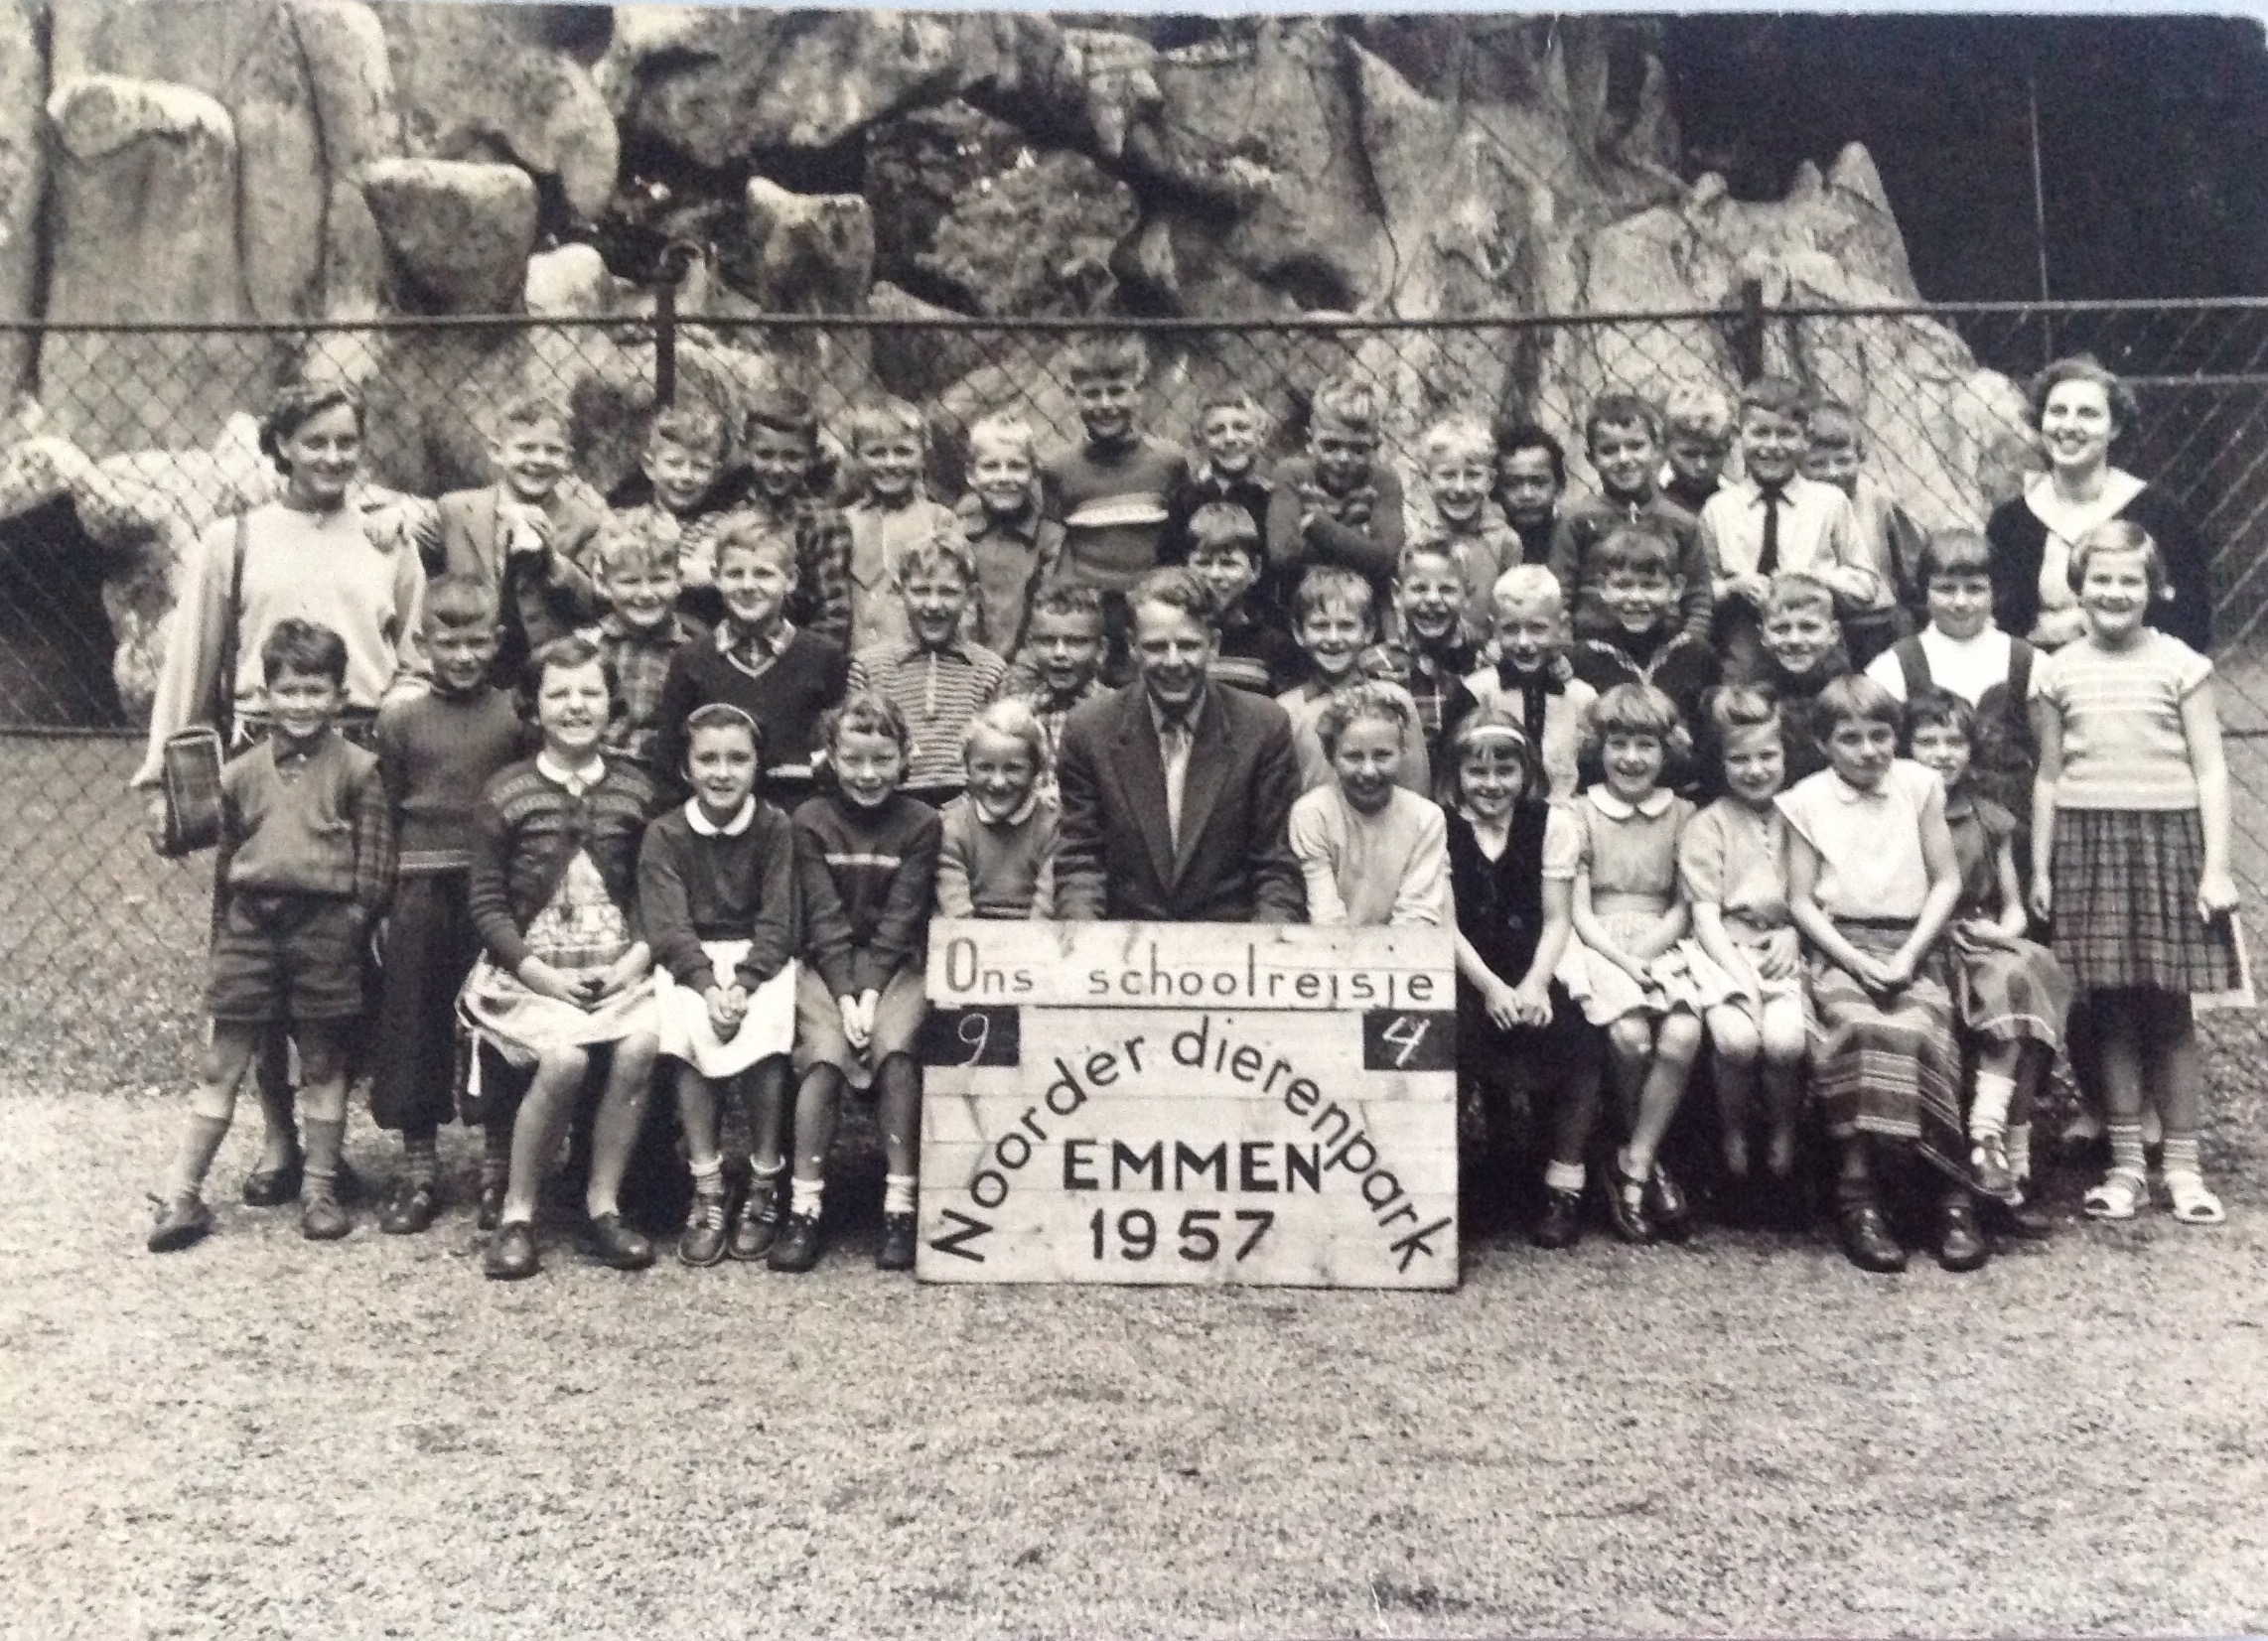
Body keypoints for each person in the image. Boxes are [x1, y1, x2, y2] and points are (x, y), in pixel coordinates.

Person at [135, 379, 427, 1212]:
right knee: (260, 947)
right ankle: (278, 1138)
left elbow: (418, 651)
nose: (332, 456)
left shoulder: (387, 536)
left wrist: (392, 718)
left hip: (365, 753)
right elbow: (194, 662)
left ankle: (347, 1151)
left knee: (346, 953)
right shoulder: (234, 540)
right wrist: (163, 774)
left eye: (345, 441)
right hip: (260, 753)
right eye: (314, 441)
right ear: (281, 448)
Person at [146, 620, 395, 1252]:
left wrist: (351, 924)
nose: (303, 704)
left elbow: (374, 867)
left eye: (316, 691)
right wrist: (170, 821)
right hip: (253, 926)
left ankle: (318, 1188)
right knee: (222, 1059)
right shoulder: (240, 771)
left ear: (341, 696)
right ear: (267, 695)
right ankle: (182, 1191)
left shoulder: (360, 770)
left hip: (324, 931)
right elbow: (219, 849)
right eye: (289, 690)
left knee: (322, 1060)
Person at [2031, 520, 2241, 1226]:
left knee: (2170, 1010)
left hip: (2168, 841)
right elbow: (2049, 776)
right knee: (2111, 1010)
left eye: (2130, 580)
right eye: (2101, 579)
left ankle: (2182, 1167)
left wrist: (2216, 868)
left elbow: (2212, 769)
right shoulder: (2056, 669)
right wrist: (2042, 866)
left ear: (2154, 588)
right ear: (2078, 586)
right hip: (2089, 841)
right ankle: (2125, 1167)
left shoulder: (2182, 663)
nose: (2114, 592)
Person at [460, 635, 662, 1282]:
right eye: (560, 694)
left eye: (590, 693)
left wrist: (636, 959)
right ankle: (519, 1212)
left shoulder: (635, 788)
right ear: (534, 707)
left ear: (612, 703)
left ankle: (603, 1204)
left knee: (640, 1044)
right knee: (566, 1058)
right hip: (530, 976)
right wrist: (536, 970)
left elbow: (658, 890)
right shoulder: (508, 791)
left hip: (618, 970)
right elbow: (487, 903)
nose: (576, 706)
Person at [1779, 675, 1977, 1276]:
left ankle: (1950, 1196)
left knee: (1923, 1028)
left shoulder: (1919, 785)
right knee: (1859, 1026)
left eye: (1881, 735)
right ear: (1823, 744)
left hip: (1913, 940)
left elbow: (1946, 880)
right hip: (1842, 945)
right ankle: (1858, 1194)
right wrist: (1857, 961)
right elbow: (1801, 901)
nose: (1869, 750)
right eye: (1850, 738)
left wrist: (1910, 953)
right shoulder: (1805, 800)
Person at [367, 577, 532, 1235]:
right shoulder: (401, 720)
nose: (463, 656)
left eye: (476, 643)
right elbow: (384, 810)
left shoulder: (513, 716)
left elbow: (525, 808)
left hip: (491, 892)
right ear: (423, 642)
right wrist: (379, 903)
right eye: (449, 642)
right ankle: (419, 1168)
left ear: (495, 642)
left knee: (498, 1021)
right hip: (418, 889)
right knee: (412, 1019)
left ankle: (496, 1170)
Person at [784, 694, 942, 1274]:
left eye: (882, 759)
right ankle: (804, 1207)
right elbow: (823, 918)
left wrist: (872, 993)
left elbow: (902, 918)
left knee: (897, 1052)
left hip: (896, 965)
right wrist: (847, 993)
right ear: (830, 757)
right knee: (823, 1059)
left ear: (905, 759)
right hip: (827, 967)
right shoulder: (809, 821)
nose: (868, 774)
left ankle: (900, 1205)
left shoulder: (922, 824)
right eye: (853, 759)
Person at [638, 704, 800, 1267]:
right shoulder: (666, 833)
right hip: (694, 962)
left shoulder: (777, 827)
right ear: (686, 768)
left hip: (759, 960)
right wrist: (709, 987)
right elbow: (668, 927)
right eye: (708, 759)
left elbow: (779, 921)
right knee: (687, 1038)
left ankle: (762, 1181)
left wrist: (747, 983)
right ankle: (706, 1187)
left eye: (738, 758)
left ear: (758, 765)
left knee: (767, 1039)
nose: (722, 772)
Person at [1906, 688, 2069, 1236]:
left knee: (2029, 969)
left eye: (1955, 741)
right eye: (1927, 741)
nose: (1942, 753)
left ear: (1972, 752)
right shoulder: (1899, 810)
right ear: (1905, 749)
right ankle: (1994, 1145)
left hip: (1976, 934)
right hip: (1920, 940)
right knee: (2007, 985)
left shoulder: (1988, 817)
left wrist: (2000, 930)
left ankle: (1992, 1136)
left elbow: (2015, 908)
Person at [1055, 567, 1304, 923]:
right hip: (1125, 947)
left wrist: (1262, 958)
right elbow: (1081, 861)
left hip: (1228, 947)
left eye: (1188, 645)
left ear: (1214, 645)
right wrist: (1088, 948)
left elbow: (1276, 869)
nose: (1173, 662)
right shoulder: (1090, 730)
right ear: (1132, 648)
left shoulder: (1263, 727)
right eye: (1156, 647)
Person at [1440, 703, 1600, 1249]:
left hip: (1532, 961)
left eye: (1505, 770)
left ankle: (1564, 1181)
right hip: (1467, 968)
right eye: (1477, 772)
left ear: (1527, 773)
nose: (1491, 784)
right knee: (1450, 1038)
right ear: (1456, 775)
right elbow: (1445, 924)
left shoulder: (1551, 825)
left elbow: (1557, 919)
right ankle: (1448, 1181)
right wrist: (1489, 989)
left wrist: (1533, 984)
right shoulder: (1438, 825)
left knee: (1580, 1036)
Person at [1564, 683, 1707, 1246]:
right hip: (1598, 941)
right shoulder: (1577, 813)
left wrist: (1648, 954)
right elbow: (1576, 912)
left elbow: (1684, 906)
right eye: (1618, 743)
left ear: (1665, 750)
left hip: (1664, 938)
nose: (1630, 758)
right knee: (1629, 1037)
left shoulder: (1684, 814)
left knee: (1682, 1033)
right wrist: (1623, 959)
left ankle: (1636, 1161)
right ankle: (1640, 1168)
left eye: (1644, 745)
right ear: (1599, 748)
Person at [1678, 687, 1808, 1221]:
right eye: (1740, 759)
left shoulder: (1802, 812)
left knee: (1783, 1042)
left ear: (1785, 755)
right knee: (1735, 1040)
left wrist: (1796, 933)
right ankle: (1732, 1142)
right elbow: (1705, 916)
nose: (1755, 770)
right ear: (1720, 760)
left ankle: (1782, 1141)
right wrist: (1741, 979)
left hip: (1786, 945)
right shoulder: (1707, 824)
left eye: (1767, 756)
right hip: (1724, 949)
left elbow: (1816, 894)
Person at [1986, 354, 2212, 655]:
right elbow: (2000, 626)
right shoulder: (2010, 522)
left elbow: (2192, 621)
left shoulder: (2159, 514)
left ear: (2115, 427)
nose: (2069, 425)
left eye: (2088, 414)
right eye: (2057, 411)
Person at [653, 516, 850, 810]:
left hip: (800, 814)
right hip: (717, 814)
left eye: (763, 574)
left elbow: (838, 751)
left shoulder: (824, 657)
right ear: (716, 577)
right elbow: (670, 758)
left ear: (791, 580)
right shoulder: (691, 659)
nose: (748, 586)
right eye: (735, 574)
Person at [1699, 376, 1876, 682]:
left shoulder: (1829, 502)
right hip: (1748, 639)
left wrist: (1813, 578)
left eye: (1785, 434)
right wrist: (1733, 587)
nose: (1772, 446)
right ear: (1740, 437)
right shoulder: (1719, 508)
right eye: (1761, 433)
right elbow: (1699, 589)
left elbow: (1865, 586)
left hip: (1817, 639)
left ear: (1806, 439)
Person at [1865, 528, 2042, 828]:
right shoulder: (1894, 666)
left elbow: (2047, 761)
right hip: (1929, 826)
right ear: (1925, 591)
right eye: (1946, 589)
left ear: (1995, 592)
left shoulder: (2029, 661)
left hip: (2014, 827)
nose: (1960, 602)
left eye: (1974, 589)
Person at [1041, 332, 1188, 682]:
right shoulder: (1059, 469)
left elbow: (1180, 547)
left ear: (1138, 392)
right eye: (1092, 394)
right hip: (1091, 620)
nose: (1105, 404)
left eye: (1117, 391)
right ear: (1072, 396)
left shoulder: (1167, 462)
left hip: (1151, 615)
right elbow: (1054, 551)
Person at [434, 392, 606, 688]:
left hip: (548, 670)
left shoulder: (585, 521)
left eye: (552, 451)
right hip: (473, 661)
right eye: (526, 448)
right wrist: (391, 520)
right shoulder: (458, 510)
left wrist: (553, 561)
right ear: (496, 451)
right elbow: (410, 522)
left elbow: (592, 603)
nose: (539, 460)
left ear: (567, 458)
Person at [846, 532, 1009, 805]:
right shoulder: (868, 665)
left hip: (967, 803)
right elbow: (854, 743)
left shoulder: (989, 669)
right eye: (921, 591)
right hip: (890, 800)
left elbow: (999, 751)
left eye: (948, 592)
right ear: (899, 592)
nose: (934, 605)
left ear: (970, 596)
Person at [1547, 391, 1712, 645]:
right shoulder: (1577, 520)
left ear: (1657, 450)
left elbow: (1699, 597)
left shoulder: (1682, 522)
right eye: (1609, 450)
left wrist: (1689, 645)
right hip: (1593, 645)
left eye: (1635, 446)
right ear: (1592, 459)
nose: (1624, 459)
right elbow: (1561, 595)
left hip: (1665, 644)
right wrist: (1568, 649)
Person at [1288, 684, 1452, 928]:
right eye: (1353, 756)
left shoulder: (1426, 818)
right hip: (1328, 953)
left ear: (1403, 751)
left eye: (1382, 755)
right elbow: (1325, 916)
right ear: (1331, 755)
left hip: (1405, 954)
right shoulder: (1313, 813)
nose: (1368, 771)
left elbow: (1417, 917)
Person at [1444, 565, 1597, 801]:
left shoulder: (1581, 698)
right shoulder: (1476, 692)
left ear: (1562, 626)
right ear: (1494, 628)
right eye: (1510, 629)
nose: (1524, 642)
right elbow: (1451, 771)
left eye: (1537, 628)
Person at [1277, 566, 1430, 796]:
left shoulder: (1395, 701)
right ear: (1299, 633)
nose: (1333, 638)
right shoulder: (1285, 711)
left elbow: (1417, 789)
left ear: (1368, 632)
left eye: (1346, 626)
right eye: (1320, 626)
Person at [1565, 522, 1718, 746]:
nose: (1635, 597)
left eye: (1649, 585)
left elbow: (1708, 738)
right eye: (1623, 585)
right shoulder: (1583, 658)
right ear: (1602, 587)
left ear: (1676, 589)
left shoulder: (1695, 655)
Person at [1801, 397, 1924, 668]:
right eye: (1817, 464)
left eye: (1843, 461)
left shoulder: (1879, 501)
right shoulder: (1798, 506)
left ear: (1861, 456)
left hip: (1878, 620)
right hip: (1820, 624)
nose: (1832, 473)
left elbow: (1911, 569)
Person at [1265, 373, 1405, 604]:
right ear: (1310, 442)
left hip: (1367, 607)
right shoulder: (1291, 474)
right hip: (1301, 606)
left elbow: (1387, 560)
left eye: (1358, 449)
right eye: (1330, 446)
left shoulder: (1384, 481)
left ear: (1376, 448)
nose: (1343, 458)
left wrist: (1320, 527)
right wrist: (1360, 546)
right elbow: (1282, 554)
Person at [734, 385, 854, 648]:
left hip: (798, 656)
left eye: (792, 457)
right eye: (765, 455)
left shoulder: (823, 521)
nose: (777, 468)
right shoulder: (731, 510)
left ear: (811, 457)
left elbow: (834, 614)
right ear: (745, 450)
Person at [845, 396, 961, 657]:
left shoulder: (939, 521)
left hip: (918, 661)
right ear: (856, 455)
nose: (890, 463)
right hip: (856, 664)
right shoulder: (845, 522)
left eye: (903, 452)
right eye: (876, 453)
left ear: (923, 454)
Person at [608, 403, 740, 629]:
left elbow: (710, 574)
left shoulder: (720, 524)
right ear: (650, 466)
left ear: (715, 473)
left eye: (699, 466)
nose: (686, 476)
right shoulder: (626, 517)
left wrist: (668, 548)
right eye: (674, 463)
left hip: (694, 631)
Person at [581, 518, 695, 778]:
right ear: (604, 583)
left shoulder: (694, 653)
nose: (645, 593)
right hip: (598, 777)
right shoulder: (588, 646)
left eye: (658, 580)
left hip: (665, 780)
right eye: (630, 581)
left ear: (679, 580)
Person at [935, 698, 1060, 919]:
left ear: (1037, 769)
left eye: (1013, 769)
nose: (998, 782)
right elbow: (955, 911)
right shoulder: (952, 827)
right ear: (967, 768)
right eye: (984, 768)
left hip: (1036, 940)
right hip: (970, 940)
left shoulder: (1052, 826)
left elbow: (1046, 909)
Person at [955, 412, 1063, 661]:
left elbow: (1051, 618)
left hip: (1030, 666)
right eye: (991, 467)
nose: (1003, 477)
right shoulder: (958, 534)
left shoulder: (1050, 540)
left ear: (1034, 473)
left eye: (1016, 466)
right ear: (971, 475)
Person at [1403, 414, 1521, 636]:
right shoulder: (1418, 543)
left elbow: (1512, 610)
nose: (1460, 488)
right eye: (1448, 475)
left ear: (1491, 481)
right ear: (1427, 480)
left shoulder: (1505, 542)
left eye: (1473, 475)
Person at [1006, 585, 1109, 802]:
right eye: (1047, 641)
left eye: (1076, 642)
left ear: (1101, 650)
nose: (1060, 653)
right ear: (1030, 647)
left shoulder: (1115, 713)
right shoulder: (1016, 715)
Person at [1186, 502, 1300, 697]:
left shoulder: (1276, 646)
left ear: (1254, 569)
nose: (1214, 574)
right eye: (1203, 563)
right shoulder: (1175, 638)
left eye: (1228, 563)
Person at [1748, 572, 1852, 784]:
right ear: (1763, 636)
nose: (1794, 640)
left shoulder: (1848, 697)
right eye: (1781, 629)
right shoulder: (1755, 700)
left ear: (1833, 633)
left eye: (1808, 627)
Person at [1164, 387, 1276, 579]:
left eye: (1241, 428)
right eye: (1216, 431)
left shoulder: (1271, 497)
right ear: (1200, 438)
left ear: (1260, 435)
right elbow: (1171, 560)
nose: (1230, 438)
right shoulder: (1186, 497)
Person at [1393, 539, 1485, 765]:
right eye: (1419, 588)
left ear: (1467, 597)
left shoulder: (1485, 665)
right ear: (1397, 594)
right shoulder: (1376, 667)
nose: (1433, 599)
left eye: (1446, 589)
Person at [1491, 420, 1566, 568]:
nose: (1527, 495)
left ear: (1559, 485)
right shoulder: (1490, 547)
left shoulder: (1574, 543)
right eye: (1513, 484)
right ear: (1495, 490)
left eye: (1539, 482)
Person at [1659, 383, 1736, 516]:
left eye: (1713, 454)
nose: (1702, 466)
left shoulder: (1735, 503)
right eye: (1689, 454)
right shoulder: (1652, 498)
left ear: (1728, 449)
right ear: (1665, 447)